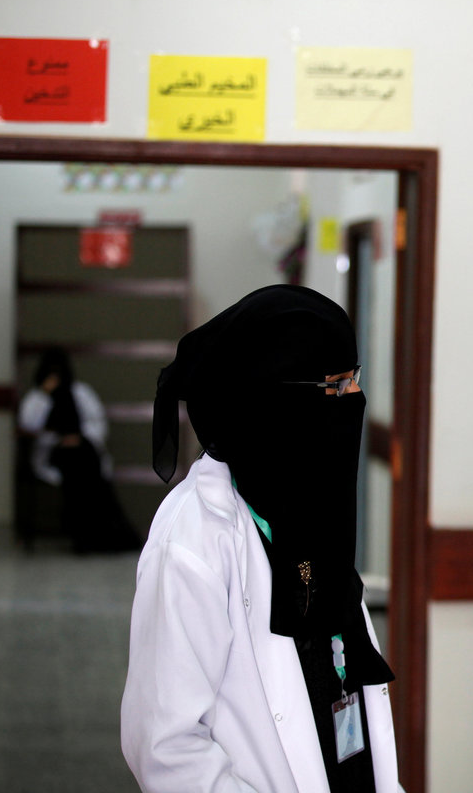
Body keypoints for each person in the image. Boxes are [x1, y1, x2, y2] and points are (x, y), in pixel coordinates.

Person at [121, 285, 401, 792]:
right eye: (335, 386)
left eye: (353, 382)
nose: (351, 402)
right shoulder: (193, 540)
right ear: (275, 399)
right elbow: (165, 748)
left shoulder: (311, 504)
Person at [17, 347, 139, 552]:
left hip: (84, 450)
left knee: (83, 462)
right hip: (55, 452)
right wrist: (46, 396)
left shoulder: (81, 393)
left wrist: (77, 438)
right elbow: (29, 426)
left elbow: (97, 424)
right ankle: (83, 536)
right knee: (74, 465)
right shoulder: (36, 398)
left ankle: (104, 534)